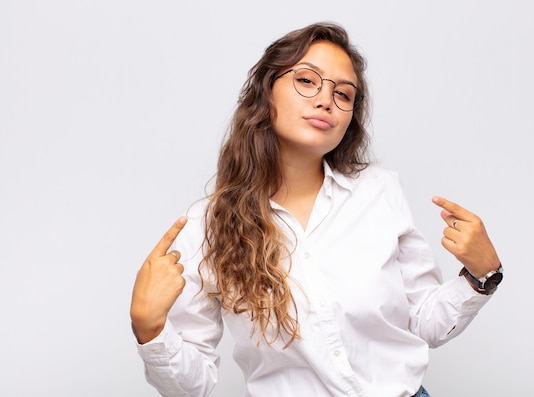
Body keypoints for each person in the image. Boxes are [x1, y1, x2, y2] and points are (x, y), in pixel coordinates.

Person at [130, 22, 502, 397]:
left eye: (343, 93)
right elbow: (193, 387)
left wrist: (481, 274)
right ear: (266, 90)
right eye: (307, 81)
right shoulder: (205, 226)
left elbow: (422, 323)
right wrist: (150, 328)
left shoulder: (379, 190)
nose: (326, 100)